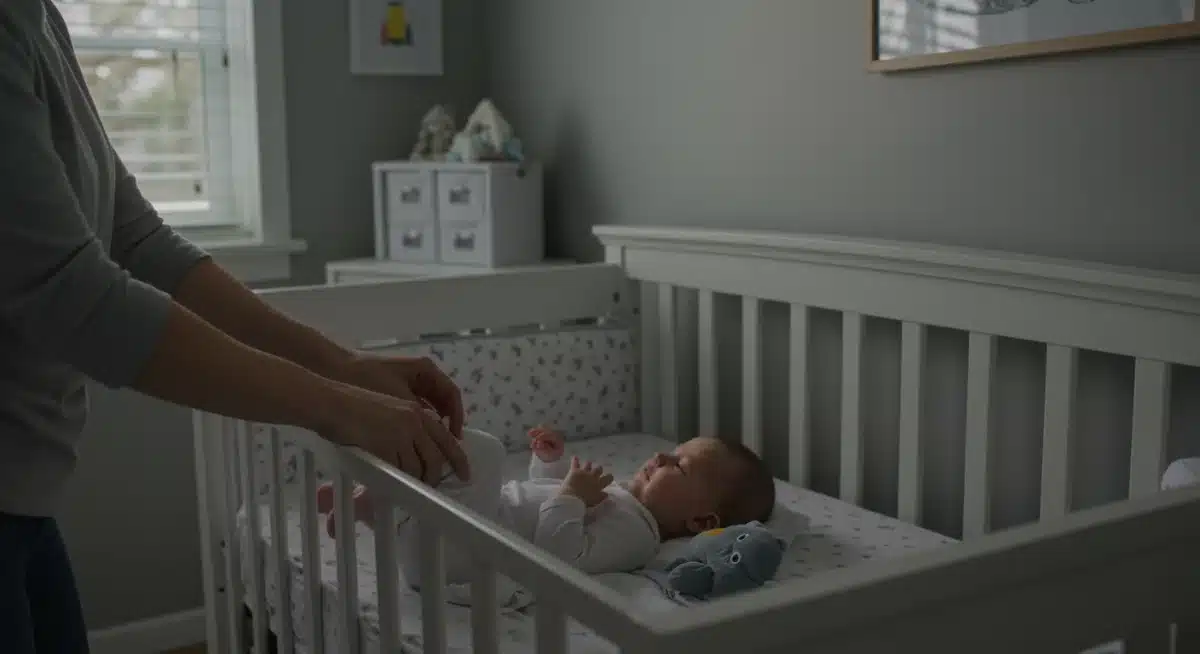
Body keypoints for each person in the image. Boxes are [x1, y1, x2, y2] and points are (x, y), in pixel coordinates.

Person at [0, 1, 469, 651]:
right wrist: (333, 407)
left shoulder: (38, 19)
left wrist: (343, 366)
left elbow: (135, 237)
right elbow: (77, 297)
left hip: (23, 497)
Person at [318, 425, 776, 582]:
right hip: (457, 531)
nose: (659, 456)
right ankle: (376, 507)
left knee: (483, 452)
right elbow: (542, 502)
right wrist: (550, 466)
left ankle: (381, 474)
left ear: (700, 520)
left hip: (460, 556)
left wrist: (573, 496)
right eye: (669, 450)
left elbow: (558, 555)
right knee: (470, 469)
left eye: (678, 465)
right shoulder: (621, 498)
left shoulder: (638, 538)